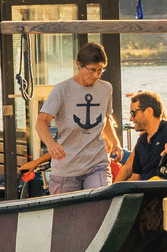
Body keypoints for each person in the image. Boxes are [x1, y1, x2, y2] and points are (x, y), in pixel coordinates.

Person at [35, 42, 120, 195]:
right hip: (66, 168)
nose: (96, 75)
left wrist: (114, 142)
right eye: (92, 70)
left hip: (97, 163)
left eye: (100, 70)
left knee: (101, 202)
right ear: (79, 65)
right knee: (65, 216)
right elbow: (41, 121)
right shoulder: (62, 89)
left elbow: (105, 119)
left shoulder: (106, 88)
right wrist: (51, 143)